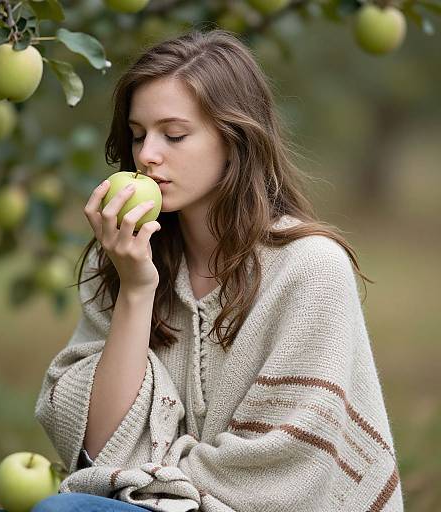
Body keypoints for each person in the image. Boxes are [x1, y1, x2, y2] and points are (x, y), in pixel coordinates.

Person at [31, 28, 404, 512]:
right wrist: (136, 290)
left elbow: (289, 466)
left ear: (234, 138)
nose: (147, 155)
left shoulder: (310, 268)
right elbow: (100, 448)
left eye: (175, 134)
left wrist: (155, 474)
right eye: (138, 135)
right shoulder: (129, 255)